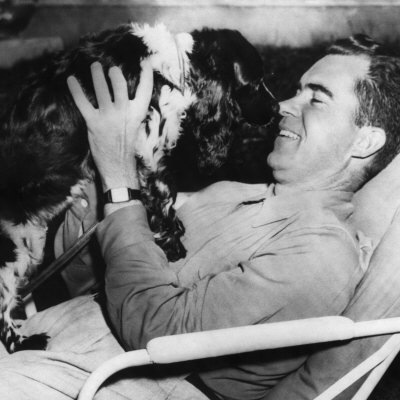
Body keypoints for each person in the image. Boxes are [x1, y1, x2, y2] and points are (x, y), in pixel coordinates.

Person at [1, 34, 400, 400]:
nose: (282, 106)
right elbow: (96, 279)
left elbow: (159, 333)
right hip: (56, 337)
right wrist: (95, 171)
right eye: (297, 91)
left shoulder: (321, 253)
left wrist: (120, 181)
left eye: (317, 99)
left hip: (126, 380)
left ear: (365, 141)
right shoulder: (232, 193)